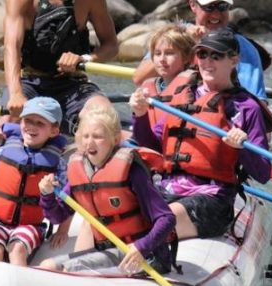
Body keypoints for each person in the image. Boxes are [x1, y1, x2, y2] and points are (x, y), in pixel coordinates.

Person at [129, 28, 272, 241]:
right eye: (202, 54)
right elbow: (153, 147)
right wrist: (140, 116)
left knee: (160, 221)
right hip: (168, 187)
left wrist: (241, 148)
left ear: (233, 60)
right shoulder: (182, 96)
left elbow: (263, 173)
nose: (207, 62)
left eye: (216, 56)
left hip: (212, 198)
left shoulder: (246, 107)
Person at [2, 0, 119, 135]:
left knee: (103, 115)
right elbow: (11, 47)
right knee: (9, 123)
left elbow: (111, 45)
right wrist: (16, 92)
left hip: (73, 84)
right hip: (31, 83)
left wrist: (85, 59)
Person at [39, 105, 176, 275]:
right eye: (86, 136)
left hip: (144, 255)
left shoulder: (132, 172)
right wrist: (47, 195)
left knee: (70, 270)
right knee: (47, 266)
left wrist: (141, 247)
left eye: (97, 136)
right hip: (107, 252)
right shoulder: (81, 171)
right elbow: (57, 216)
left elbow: (167, 218)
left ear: (115, 139)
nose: (89, 142)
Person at [0, 97, 70, 265]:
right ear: (20, 122)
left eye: (40, 123)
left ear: (54, 131)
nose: (32, 127)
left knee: (17, 248)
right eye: (27, 120)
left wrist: (63, 231)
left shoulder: (58, 164)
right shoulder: (2, 153)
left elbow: (68, 201)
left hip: (31, 225)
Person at [132, 0, 267, 101]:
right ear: (192, 5)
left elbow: (256, 103)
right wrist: (184, 42)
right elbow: (139, 79)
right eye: (209, 7)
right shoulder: (173, 37)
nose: (215, 14)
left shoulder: (244, 48)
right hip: (171, 114)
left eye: (222, 6)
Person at [136, 24, 196, 129]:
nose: (162, 59)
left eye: (169, 53)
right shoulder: (147, 89)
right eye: (157, 54)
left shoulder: (195, 90)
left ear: (186, 57)